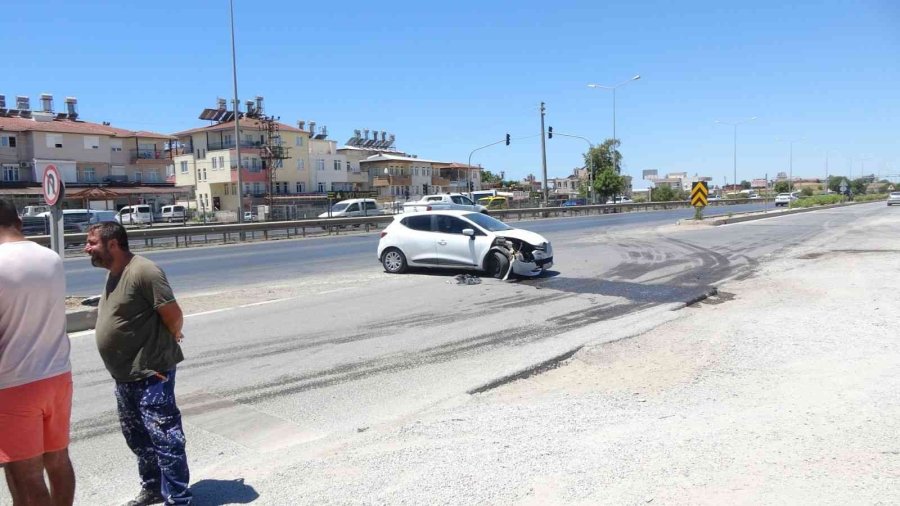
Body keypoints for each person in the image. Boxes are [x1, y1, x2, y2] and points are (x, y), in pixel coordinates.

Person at [84, 221, 192, 506]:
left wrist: (169, 339)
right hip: (125, 375)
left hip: (151, 372)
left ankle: (179, 497)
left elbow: (173, 314)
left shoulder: (144, 271)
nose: (87, 248)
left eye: (92, 243)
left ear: (113, 244)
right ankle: (153, 488)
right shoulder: (114, 273)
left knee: (165, 437)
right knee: (138, 438)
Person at [0, 198, 75, 505]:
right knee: (57, 461)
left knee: (25, 474)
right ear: (18, 221)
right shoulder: (51, 258)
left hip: (14, 382)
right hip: (57, 376)